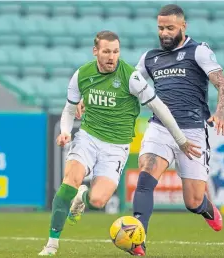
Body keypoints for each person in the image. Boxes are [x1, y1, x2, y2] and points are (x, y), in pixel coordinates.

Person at [38, 30, 201, 256]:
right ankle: (52, 244)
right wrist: (66, 131)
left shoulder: (130, 77)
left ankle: (82, 197)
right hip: (88, 137)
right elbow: (69, 108)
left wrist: (181, 140)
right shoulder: (82, 74)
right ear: (95, 51)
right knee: (69, 181)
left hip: (116, 148)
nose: (111, 56)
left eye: (115, 51)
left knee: (98, 200)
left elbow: (159, 107)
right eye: (106, 51)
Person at [131, 5, 224, 255]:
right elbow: (129, 85)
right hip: (160, 129)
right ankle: (138, 239)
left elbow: (222, 83)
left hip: (193, 131)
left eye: (170, 28)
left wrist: (220, 112)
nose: (164, 33)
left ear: (183, 26)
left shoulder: (198, 52)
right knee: (145, 176)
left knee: (192, 201)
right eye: (160, 28)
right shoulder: (149, 58)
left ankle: (207, 208)